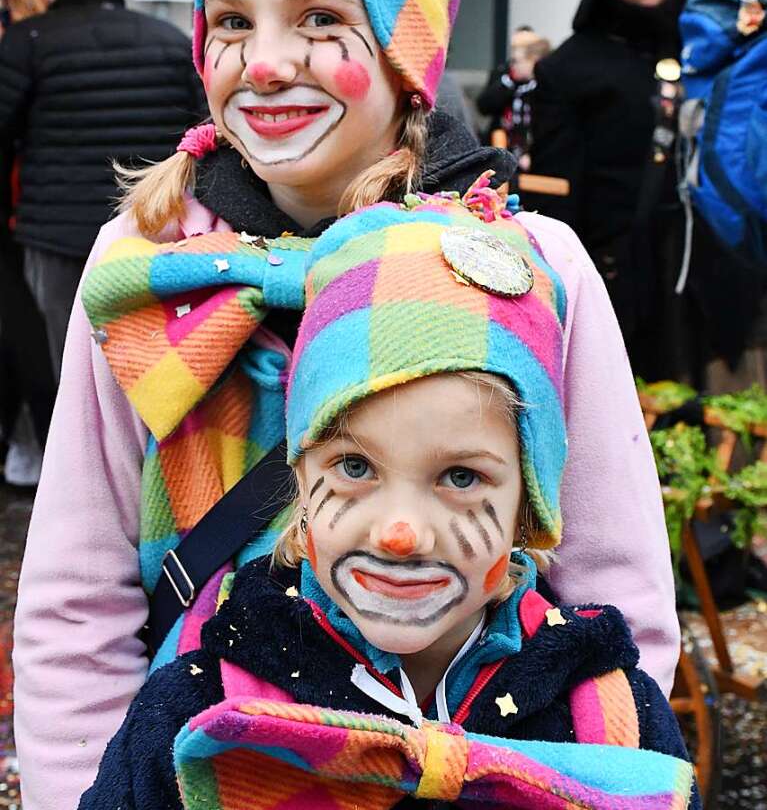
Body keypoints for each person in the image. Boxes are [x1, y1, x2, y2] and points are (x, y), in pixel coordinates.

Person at [14, 0, 678, 810]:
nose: (266, 61)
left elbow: (613, 586)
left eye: (321, 19)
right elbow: (76, 598)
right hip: (204, 766)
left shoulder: (531, 263)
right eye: (232, 22)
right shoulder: (147, 265)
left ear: (408, 47)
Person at [79, 191, 698, 810]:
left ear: (528, 507)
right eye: (354, 467)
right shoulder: (197, 713)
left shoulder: (615, 720)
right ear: (300, 486)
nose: (399, 533)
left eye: (460, 478)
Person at [0, 0, 206, 379]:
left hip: (53, 238)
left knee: (65, 371)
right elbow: (200, 135)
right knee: (142, 372)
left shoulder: (29, 42)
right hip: (148, 232)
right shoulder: (170, 42)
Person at [526, 0, 731, 381]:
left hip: (696, 262)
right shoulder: (569, 68)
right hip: (613, 270)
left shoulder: (701, 52)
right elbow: (558, 190)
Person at [0, 0, 56, 486]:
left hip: (25, 207)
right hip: (29, 206)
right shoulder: (33, 40)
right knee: (29, 331)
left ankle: (22, 445)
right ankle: (26, 444)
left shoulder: (29, 41)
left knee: (23, 331)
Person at [476, 25, 550, 161]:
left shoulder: (544, 83)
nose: (514, 64)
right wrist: (508, 83)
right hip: (503, 145)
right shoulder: (504, 75)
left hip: (532, 153)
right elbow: (483, 106)